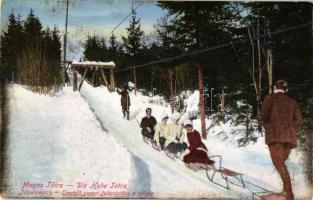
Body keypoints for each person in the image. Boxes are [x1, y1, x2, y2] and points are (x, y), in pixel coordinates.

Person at [261, 80, 302, 200]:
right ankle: (285, 191)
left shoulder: (270, 98)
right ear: (286, 90)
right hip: (289, 138)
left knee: (278, 164)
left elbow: (263, 116)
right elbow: (298, 120)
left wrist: (270, 128)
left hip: (275, 137)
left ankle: (289, 194)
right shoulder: (293, 102)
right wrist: (290, 130)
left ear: (275, 88)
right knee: (281, 163)